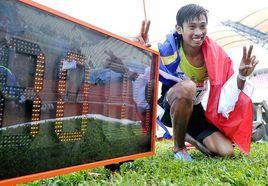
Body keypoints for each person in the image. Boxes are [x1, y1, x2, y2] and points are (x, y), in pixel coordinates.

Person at [135, 4, 258, 161]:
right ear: (179, 29)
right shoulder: (167, 50)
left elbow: (230, 91)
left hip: (196, 109)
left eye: (202, 26)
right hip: (171, 105)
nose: (198, 32)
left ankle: (186, 135)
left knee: (226, 152)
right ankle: (179, 147)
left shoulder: (215, 54)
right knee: (188, 87)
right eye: (192, 27)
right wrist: (141, 51)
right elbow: (141, 71)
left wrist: (241, 75)